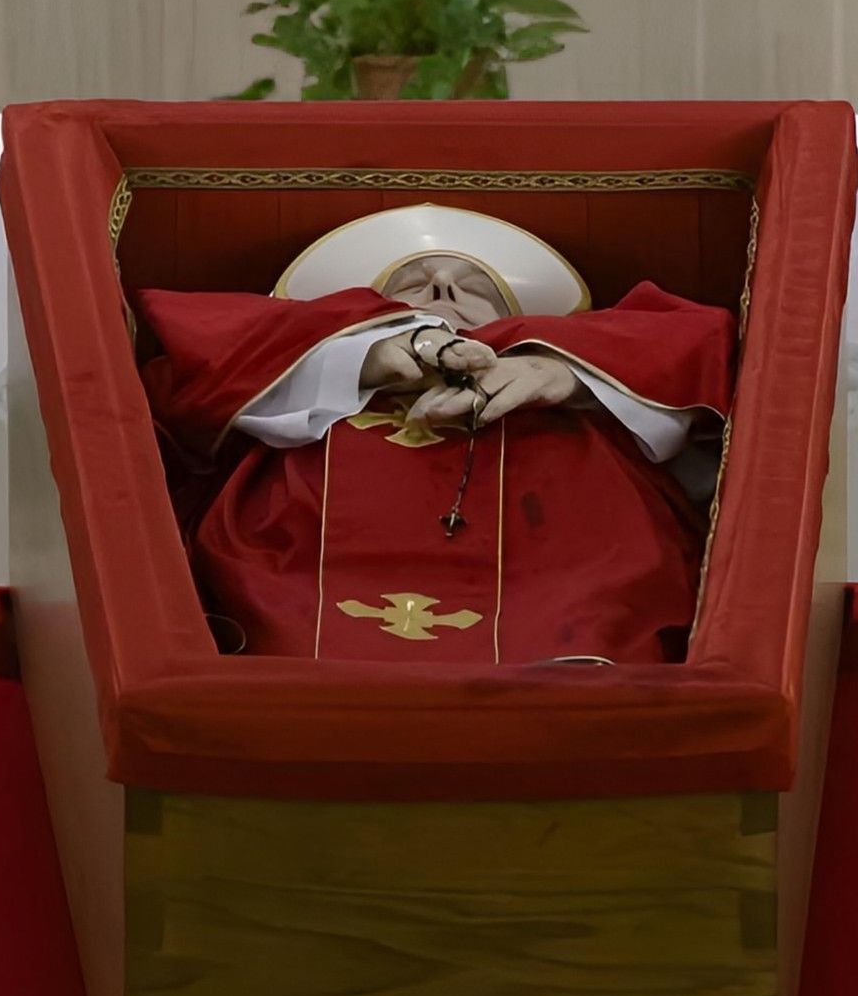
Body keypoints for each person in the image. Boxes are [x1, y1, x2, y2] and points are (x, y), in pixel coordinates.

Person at [132, 204, 736, 664]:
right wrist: (368, 356)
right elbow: (192, 378)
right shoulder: (297, 367)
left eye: (475, 284)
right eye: (411, 282)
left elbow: (695, 360)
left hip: (555, 578)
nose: (444, 291)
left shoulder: (575, 376)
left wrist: (566, 375)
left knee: (586, 619)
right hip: (302, 570)